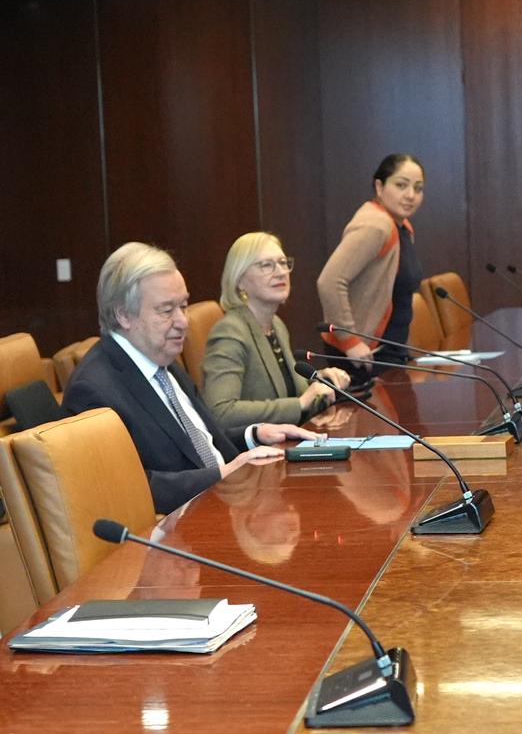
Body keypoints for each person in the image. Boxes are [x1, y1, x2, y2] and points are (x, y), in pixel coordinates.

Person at [63, 242, 317, 515]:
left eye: (183, 305)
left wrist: (254, 435)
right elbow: (125, 490)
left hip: (226, 506)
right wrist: (221, 474)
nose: (183, 321)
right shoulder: (93, 390)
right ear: (123, 314)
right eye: (166, 310)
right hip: (177, 536)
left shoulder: (159, 359)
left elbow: (197, 442)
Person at [201, 232, 350, 432]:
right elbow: (221, 412)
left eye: (282, 262)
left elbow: (283, 390)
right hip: (254, 454)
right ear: (239, 280)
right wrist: (300, 403)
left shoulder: (275, 324)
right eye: (266, 265)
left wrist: (320, 380)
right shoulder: (230, 332)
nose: (280, 272)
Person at [318, 153, 426, 386]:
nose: (410, 195)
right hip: (363, 357)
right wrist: (350, 341)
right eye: (401, 185)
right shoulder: (376, 226)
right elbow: (329, 281)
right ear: (379, 186)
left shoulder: (401, 225)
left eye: (418, 188)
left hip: (390, 350)